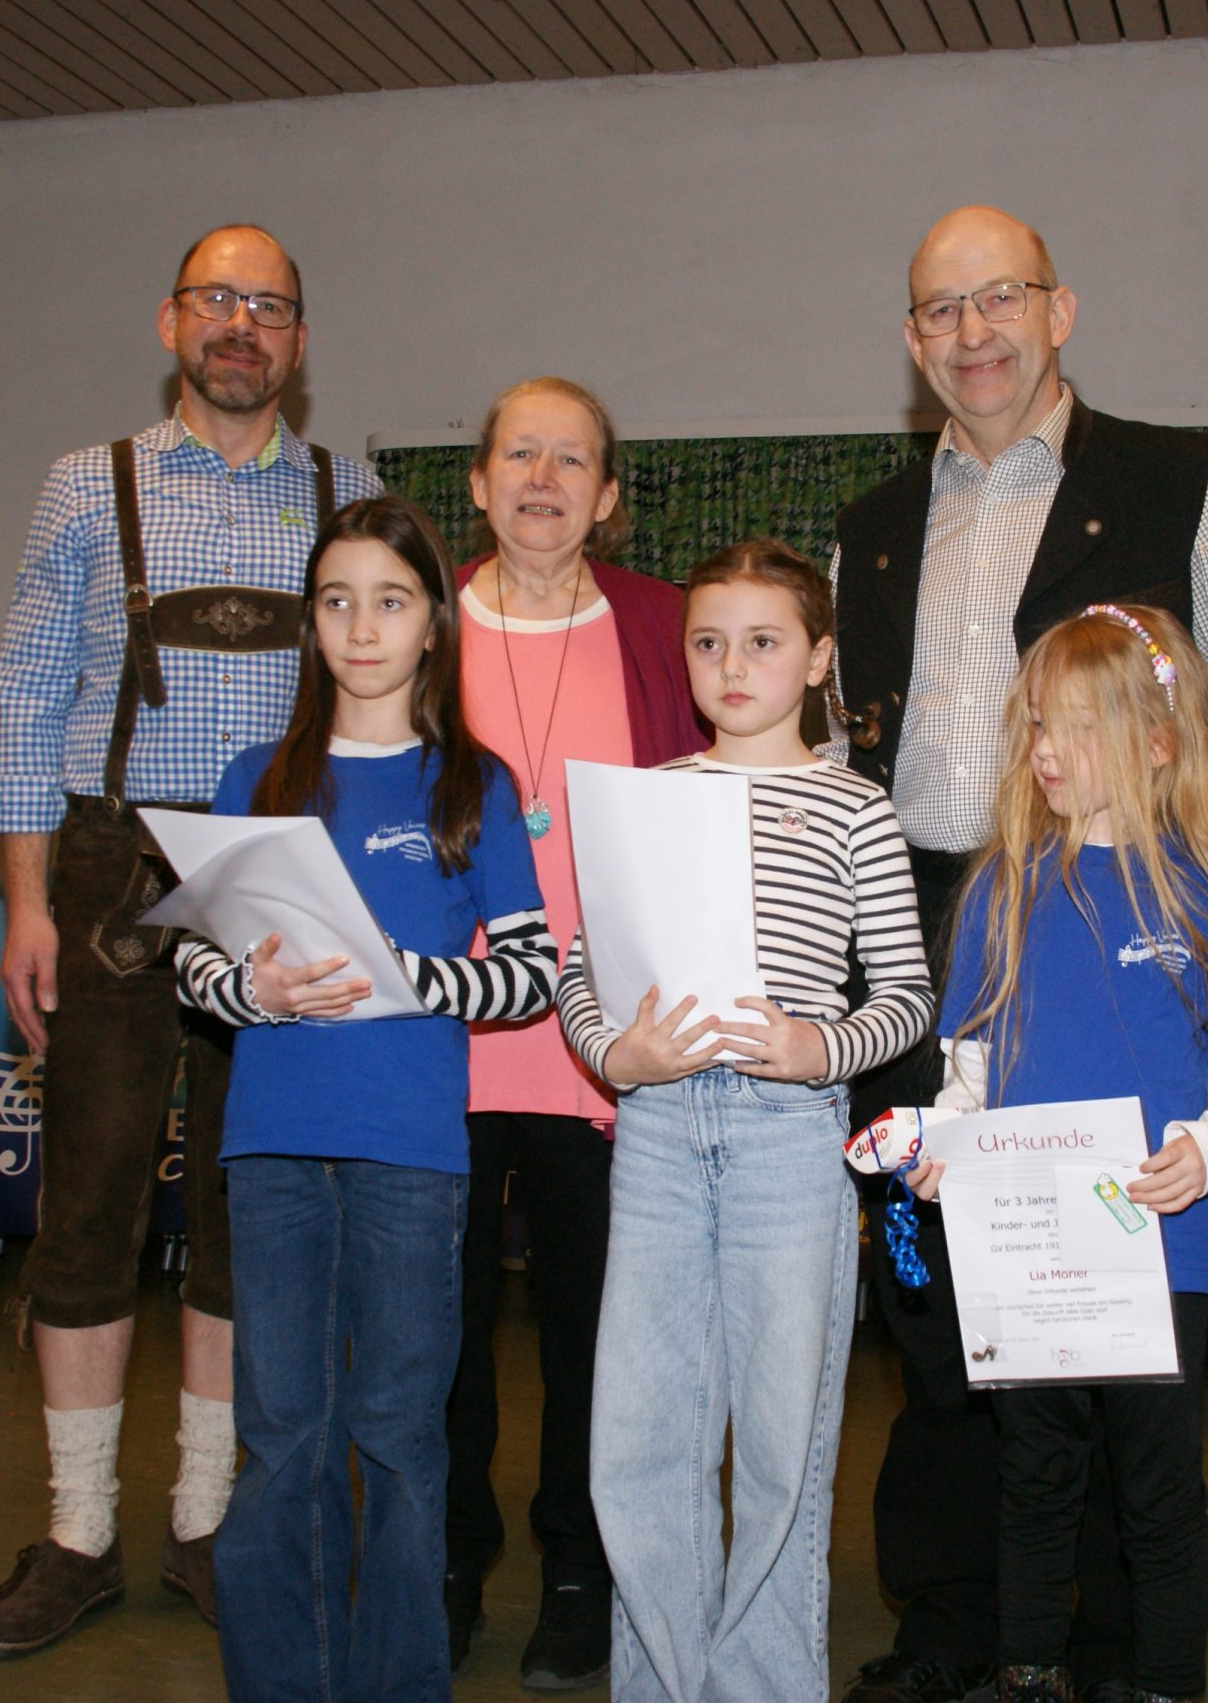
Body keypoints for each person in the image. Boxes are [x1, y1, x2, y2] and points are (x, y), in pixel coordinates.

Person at [828, 206, 1208, 1703]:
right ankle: (964, 1625)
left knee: (1115, 1336)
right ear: (912, 340)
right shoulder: (871, 524)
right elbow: (834, 750)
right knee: (932, 1302)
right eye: (941, 309)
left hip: (1125, 903)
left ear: (1059, 309)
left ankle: (1120, 1650)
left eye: (1000, 297)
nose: (972, 331)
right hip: (924, 932)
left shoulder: (1172, 481)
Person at [0, 225, 377, 1657]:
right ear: (171, 321)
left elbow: (384, 697)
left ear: (299, 340)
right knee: (86, 1199)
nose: (241, 325)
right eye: (218, 299)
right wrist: (27, 898)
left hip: (278, 870)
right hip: (106, 870)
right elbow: (29, 698)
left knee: (243, 1203)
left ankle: (208, 1522)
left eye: (269, 305)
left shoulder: (349, 492)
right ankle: (78, 1531)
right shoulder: (87, 484)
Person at [173, 495, 558, 1701]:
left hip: (410, 1154)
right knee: (281, 1436)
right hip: (272, 1148)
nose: (360, 626)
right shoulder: (257, 777)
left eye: (389, 601)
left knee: (396, 1437)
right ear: (311, 622)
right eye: (336, 601)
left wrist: (408, 979)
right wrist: (253, 987)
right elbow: (193, 968)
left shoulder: (472, 784)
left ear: (433, 622)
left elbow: (534, 971)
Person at [555, 541, 933, 1703]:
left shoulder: (857, 809)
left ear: (817, 660)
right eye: (708, 642)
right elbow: (578, 967)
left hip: (788, 1138)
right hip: (660, 1133)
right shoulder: (649, 796)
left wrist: (820, 1048)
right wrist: (614, 1053)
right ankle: (662, 1685)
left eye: (763, 642)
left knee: (779, 1450)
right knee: (639, 1441)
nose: (731, 665)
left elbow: (906, 995)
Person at [905, 605, 1208, 1703]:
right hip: (1029, 1252)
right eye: (1038, 722)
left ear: (1159, 741)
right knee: (1033, 1477)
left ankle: (1165, 1683)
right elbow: (970, 1058)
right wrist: (949, 1141)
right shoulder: (1001, 885)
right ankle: (1031, 1673)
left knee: (1158, 1491)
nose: (1046, 749)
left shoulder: (1204, 891)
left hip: (1159, 1248)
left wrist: (1207, 1149)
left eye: (1077, 725)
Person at [444, 377, 703, 1686]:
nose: (542, 478)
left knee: (595, 1337)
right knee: (438, 1339)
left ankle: (577, 1570)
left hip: (610, 1048)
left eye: (571, 460)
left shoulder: (663, 625)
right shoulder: (416, 619)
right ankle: (445, 1561)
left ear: (606, 497)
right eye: (520, 454)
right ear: (478, 482)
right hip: (440, 1043)